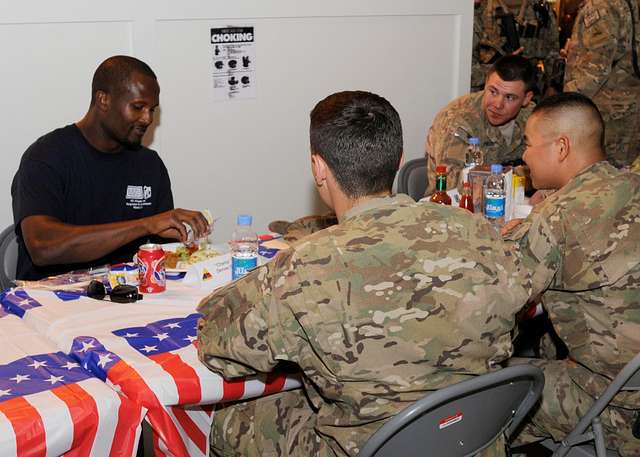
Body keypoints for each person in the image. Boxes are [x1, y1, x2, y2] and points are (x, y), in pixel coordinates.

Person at [197, 90, 529, 456]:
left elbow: (219, 350)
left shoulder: (307, 266)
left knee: (230, 420)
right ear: (400, 161)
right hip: (470, 438)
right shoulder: (476, 230)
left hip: (367, 447)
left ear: (318, 168)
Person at [503, 92, 640, 456]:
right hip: (628, 380)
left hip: (613, 407)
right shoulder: (631, 184)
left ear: (561, 147)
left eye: (529, 145)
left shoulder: (559, 218)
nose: (524, 156)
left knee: (478, 391)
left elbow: (492, 299)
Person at [11, 55, 209, 280]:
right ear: (103, 100)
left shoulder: (150, 165)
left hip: (127, 298)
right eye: (138, 107)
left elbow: (161, 249)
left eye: (152, 109)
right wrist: (146, 225)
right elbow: (43, 247)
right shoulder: (46, 157)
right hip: (52, 300)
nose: (147, 118)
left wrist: (189, 240)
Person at [425, 54, 535, 196]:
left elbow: (551, 169)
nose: (497, 104)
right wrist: (522, 176)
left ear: (526, 99)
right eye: (493, 91)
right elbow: (453, 188)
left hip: (510, 204)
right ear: (485, 84)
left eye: (509, 97)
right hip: (453, 210)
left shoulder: (532, 117)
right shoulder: (457, 121)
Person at [564, 0, 640, 167]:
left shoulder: (602, 5)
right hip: (625, 111)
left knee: (600, 181)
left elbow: (593, 71)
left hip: (603, 116)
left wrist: (564, 110)